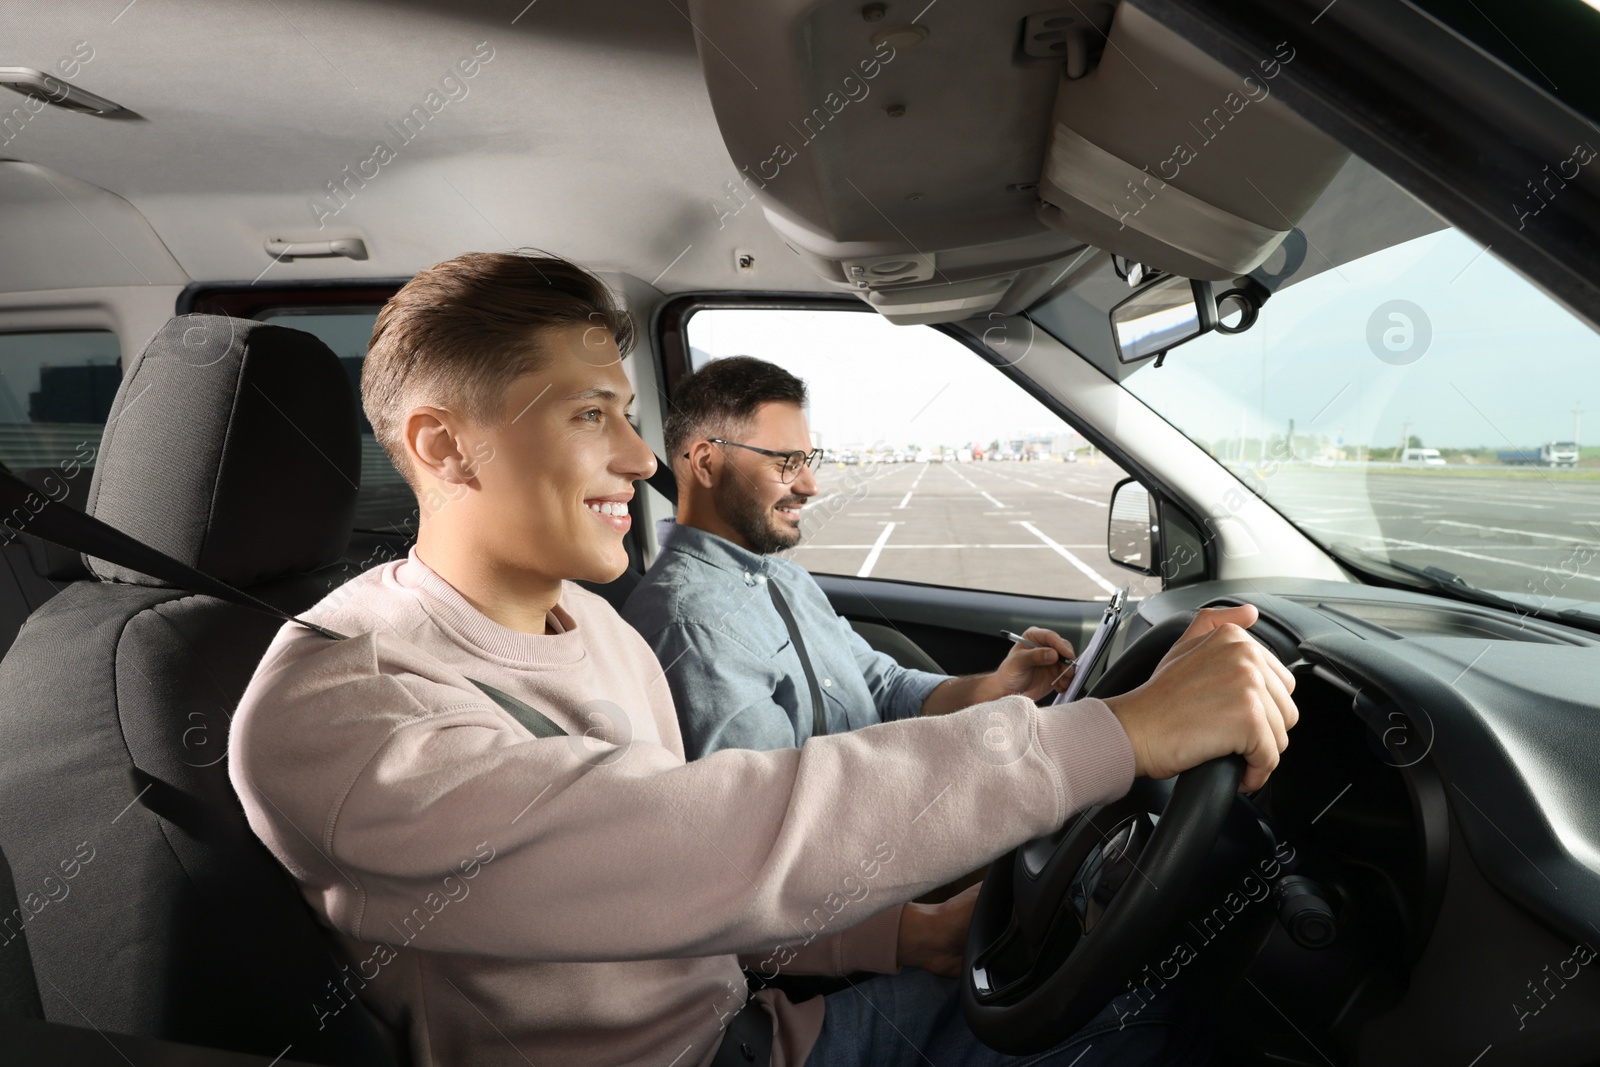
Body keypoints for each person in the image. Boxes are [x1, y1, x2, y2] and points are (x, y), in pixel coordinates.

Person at [229, 250, 1299, 1067]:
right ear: (442, 444)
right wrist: (1118, 733)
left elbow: (700, 901)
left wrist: (904, 936)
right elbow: (712, 840)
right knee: (1139, 1018)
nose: (642, 458)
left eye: (632, 415)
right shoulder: (340, 703)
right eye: (590, 414)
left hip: (748, 1022)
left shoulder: (592, 626)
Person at [622, 356, 1081, 760]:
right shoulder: (691, 623)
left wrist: (997, 688)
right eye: (786, 462)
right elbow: (777, 812)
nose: (809, 486)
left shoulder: (785, 578)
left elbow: (884, 688)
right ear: (706, 463)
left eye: (808, 460)